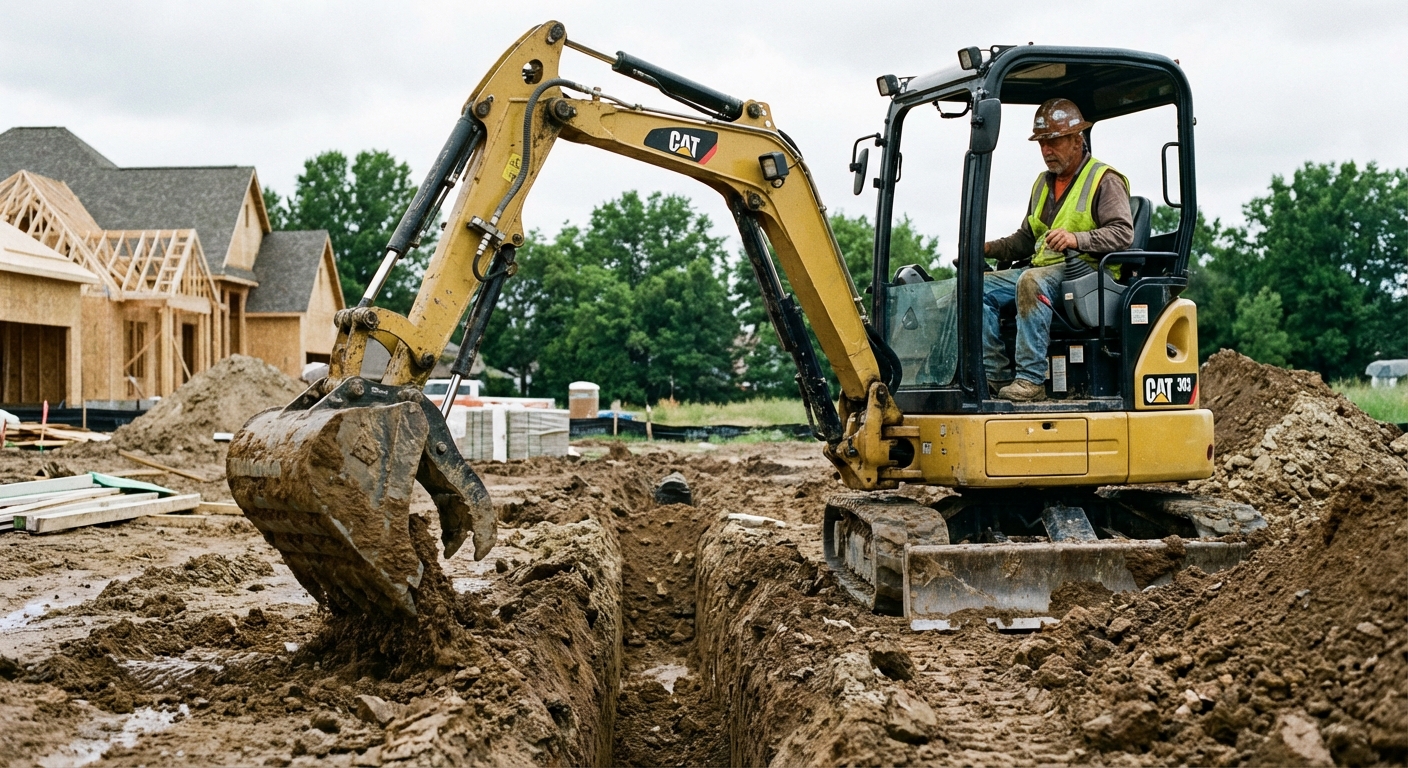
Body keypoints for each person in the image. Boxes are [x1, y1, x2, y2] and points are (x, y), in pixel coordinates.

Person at [982, 98, 1133, 402]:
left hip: (1088, 274)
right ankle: (995, 375)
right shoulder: (1043, 184)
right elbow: (1026, 239)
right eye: (1042, 144)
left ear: (1077, 140)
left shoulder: (1104, 180)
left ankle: (1030, 380)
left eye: (1054, 141)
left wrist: (1077, 239)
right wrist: (984, 248)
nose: (1047, 151)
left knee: (1030, 282)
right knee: (975, 287)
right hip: (1043, 267)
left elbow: (1123, 234)